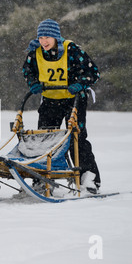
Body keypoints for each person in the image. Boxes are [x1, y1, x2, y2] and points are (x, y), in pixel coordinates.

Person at [22, 18, 101, 194]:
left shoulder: (71, 49)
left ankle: (89, 179)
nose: (44, 41)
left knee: (76, 138)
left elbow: (93, 72)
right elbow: (27, 70)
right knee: (44, 139)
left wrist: (80, 83)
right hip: (50, 100)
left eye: (47, 37)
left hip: (73, 99)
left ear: (56, 37)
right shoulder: (35, 52)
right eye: (41, 37)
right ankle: (41, 178)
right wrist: (33, 82)